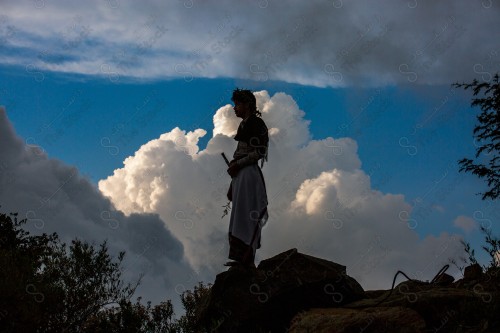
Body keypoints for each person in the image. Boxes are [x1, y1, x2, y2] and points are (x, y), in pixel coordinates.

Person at [225, 88, 269, 269]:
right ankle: (240, 258)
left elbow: (259, 152)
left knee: (246, 216)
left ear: (248, 105)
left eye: (237, 104)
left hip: (249, 174)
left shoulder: (256, 124)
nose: (234, 108)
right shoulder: (244, 125)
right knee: (239, 215)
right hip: (241, 175)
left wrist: (238, 164)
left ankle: (247, 259)